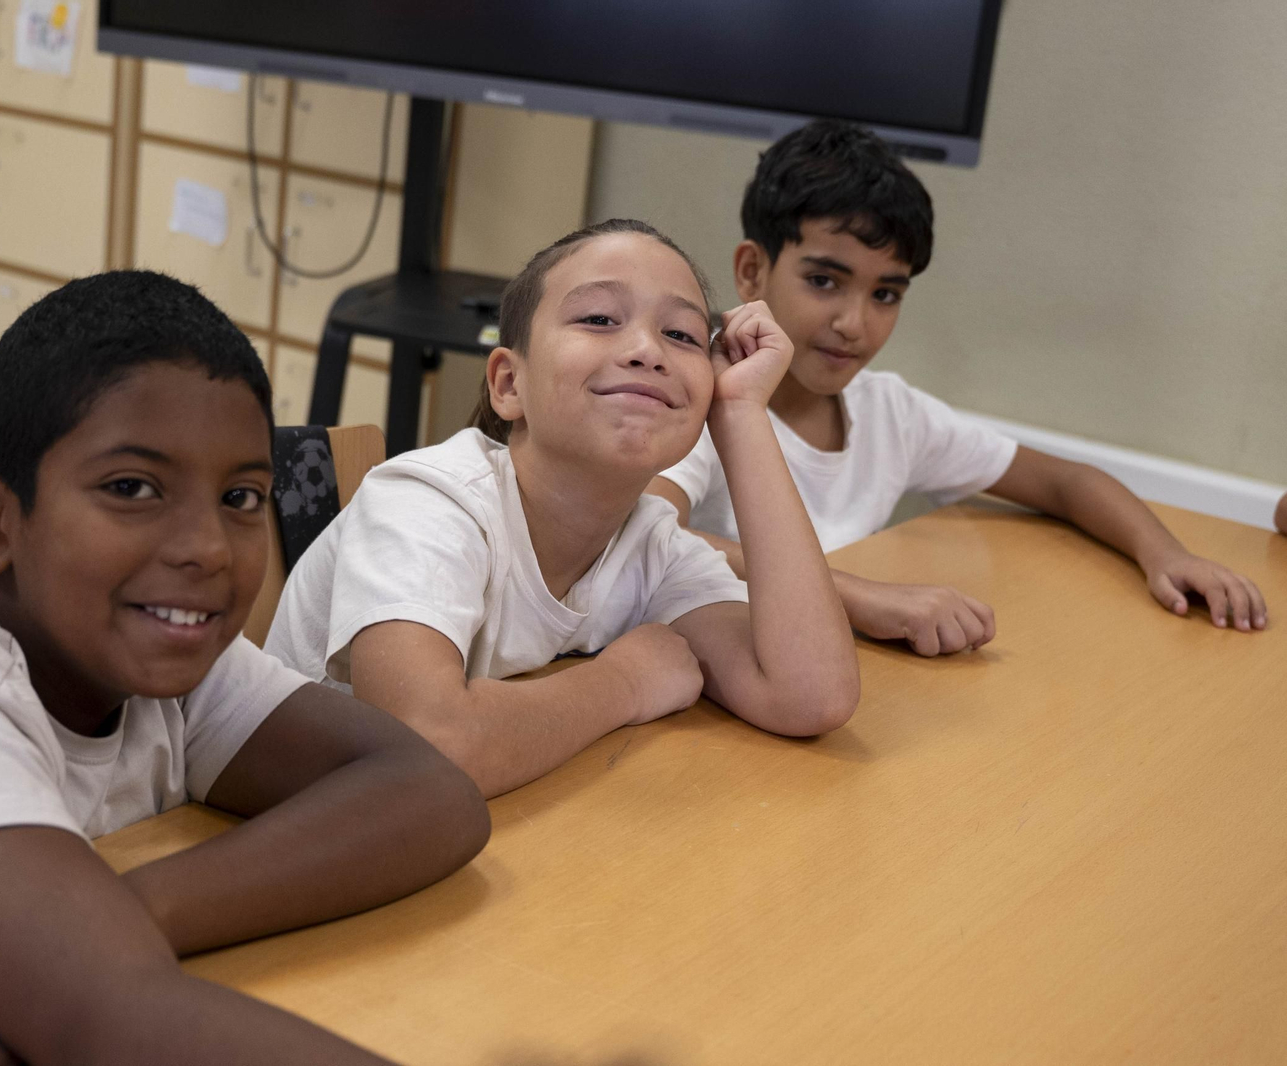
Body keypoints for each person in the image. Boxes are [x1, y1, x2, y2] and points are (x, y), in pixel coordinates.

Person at [0, 272, 490, 1066]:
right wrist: (83, 963)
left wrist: (125, 914)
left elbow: (429, 792)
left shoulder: (157, 654)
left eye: (241, 497)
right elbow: (108, 1022)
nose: (208, 548)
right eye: (133, 487)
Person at [266, 219, 860, 799]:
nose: (647, 350)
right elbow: (425, 745)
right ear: (508, 384)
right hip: (288, 826)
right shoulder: (426, 502)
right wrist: (622, 683)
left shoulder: (652, 545)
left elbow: (811, 695)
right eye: (599, 319)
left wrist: (742, 415)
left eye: (681, 335)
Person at [651, 121, 1268, 656]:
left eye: (885, 294)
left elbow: (1067, 482)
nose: (854, 323)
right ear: (752, 270)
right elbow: (655, 533)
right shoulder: (700, 396)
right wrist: (862, 597)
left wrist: (1165, 554)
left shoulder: (889, 412)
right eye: (823, 280)